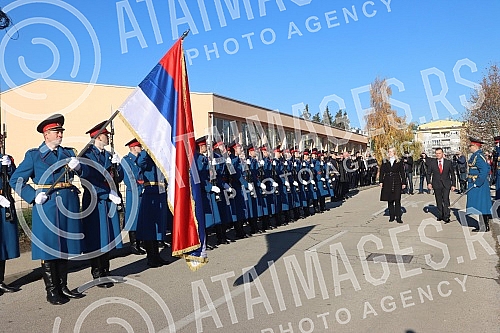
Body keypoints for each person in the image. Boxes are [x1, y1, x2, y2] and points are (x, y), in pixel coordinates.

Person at [11, 114, 86, 304]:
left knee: (64, 248)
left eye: (61, 131)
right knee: (49, 249)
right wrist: (32, 196)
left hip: (67, 204)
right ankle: (52, 290)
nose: (60, 134)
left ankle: (63, 286)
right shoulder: (34, 155)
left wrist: (79, 168)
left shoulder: (68, 153)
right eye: (56, 131)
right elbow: (16, 179)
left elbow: (84, 175)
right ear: (46, 134)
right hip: (47, 205)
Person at [80, 121, 123, 288]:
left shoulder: (106, 155)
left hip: (107, 200)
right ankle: (97, 273)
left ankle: (106, 270)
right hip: (95, 200)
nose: (108, 138)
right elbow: (87, 180)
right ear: (98, 137)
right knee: (96, 237)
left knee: (107, 238)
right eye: (106, 135)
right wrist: (107, 193)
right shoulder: (87, 155)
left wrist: (116, 165)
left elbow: (116, 178)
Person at [134, 146, 170, 267]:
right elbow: (140, 163)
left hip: (160, 192)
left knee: (158, 228)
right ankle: (151, 257)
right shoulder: (146, 155)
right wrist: (146, 148)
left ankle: (156, 255)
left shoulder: (159, 156)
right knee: (150, 228)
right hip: (150, 192)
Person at [0, 137, 20, 296]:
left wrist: (10, 167)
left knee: (4, 243)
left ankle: (0, 281)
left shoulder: (7, 158)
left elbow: (15, 180)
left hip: (5, 203)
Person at [121, 139, 146, 255]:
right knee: (134, 219)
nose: (140, 148)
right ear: (133, 148)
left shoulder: (140, 160)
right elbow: (129, 179)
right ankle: (134, 244)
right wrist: (140, 189)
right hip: (134, 192)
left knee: (141, 217)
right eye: (139, 146)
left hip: (142, 191)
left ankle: (141, 242)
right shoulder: (126, 161)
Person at [466, 137, 492, 232]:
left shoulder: (478, 156)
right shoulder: (476, 155)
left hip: (478, 184)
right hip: (475, 182)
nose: (469, 147)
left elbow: (485, 170)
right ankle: (483, 226)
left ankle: (484, 226)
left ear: (475, 146)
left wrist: (478, 182)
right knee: (480, 205)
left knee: (482, 205)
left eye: (471, 145)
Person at [426, 148, 456, 223]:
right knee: (438, 200)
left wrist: (453, 184)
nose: (438, 155)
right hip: (436, 184)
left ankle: (446, 216)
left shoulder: (448, 162)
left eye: (439, 153)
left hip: (446, 184)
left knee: (446, 200)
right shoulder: (432, 163)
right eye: (436, 153)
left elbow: (452, 174)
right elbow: (428, 173)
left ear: (442, 154)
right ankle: (440, 215)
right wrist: (429, 183)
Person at [379, 147, 406, 223]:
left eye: (391, 152)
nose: (389, 153)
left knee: (397, 199)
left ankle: (398, 217)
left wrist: (404, 182)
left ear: (394, 152)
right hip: (387, 181)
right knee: (390, 200)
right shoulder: (385, 161)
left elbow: (402, 172)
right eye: (389, 151)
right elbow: (382, 172)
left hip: (396, 180)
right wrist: (381, 181)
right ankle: (391, 216)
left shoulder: (399, 161)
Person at [493, 136, 500, 200]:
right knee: (497, 185)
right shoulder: (497, 151)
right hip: (498, 170)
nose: (496, 145)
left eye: (497, 144)